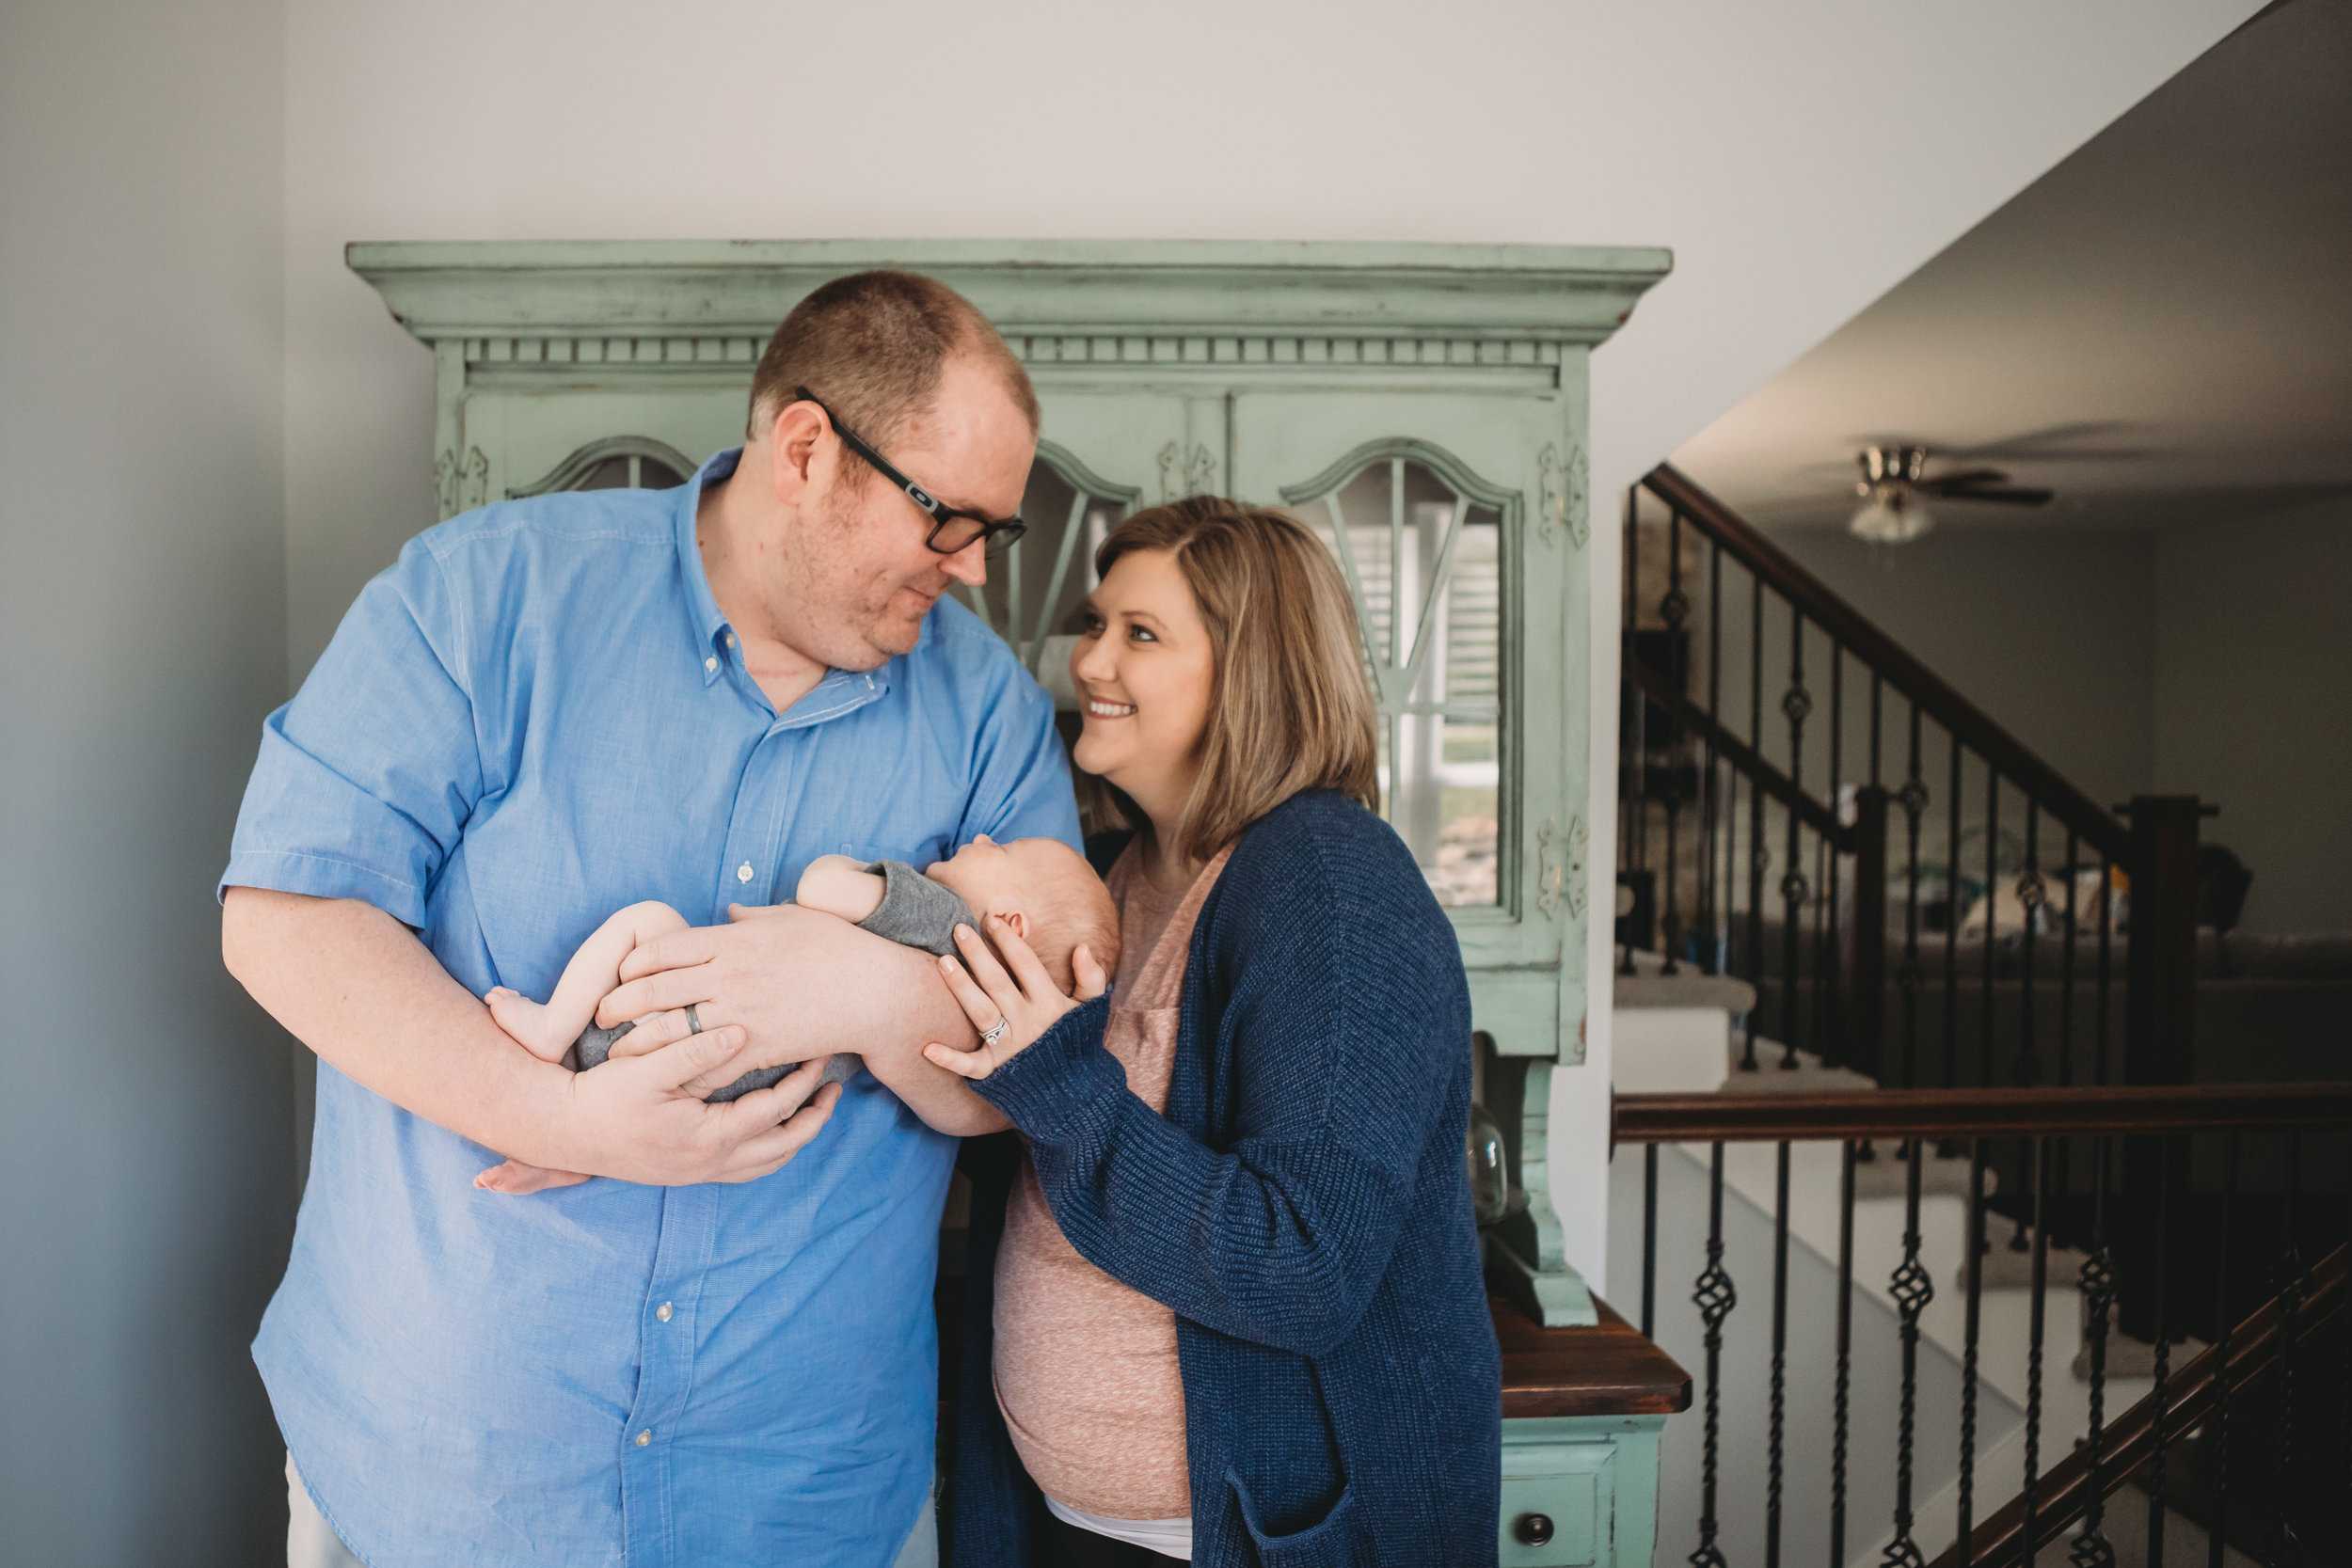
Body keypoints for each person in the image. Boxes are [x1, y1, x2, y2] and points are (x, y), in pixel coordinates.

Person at [219, 270, 1075, 1568]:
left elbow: (1037, 1066)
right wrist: (565, 1118)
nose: (967, 572)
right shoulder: (484, 599)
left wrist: (856, 990)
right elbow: (284, 917)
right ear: (806, 449)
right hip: (444, 1474)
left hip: (806, 1493)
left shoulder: (988, 713)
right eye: (949, 519)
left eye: (990, 535)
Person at [920, 499, 1502, 1567]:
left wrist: (1052, 1082)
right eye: (1095, 623)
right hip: (1074, 1526)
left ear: (1252, 670)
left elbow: (1303, 1263)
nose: (1089, 659)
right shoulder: (1120, 876)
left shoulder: (1330, 887)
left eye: (1141, 634)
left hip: (1246, 1541)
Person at [474, 835, 1119, 1194]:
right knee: (648, 1126)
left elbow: (820, 887)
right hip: (751, 1090)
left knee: (649, 921)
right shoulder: (977, 1036)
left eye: (1001, 850)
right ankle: (576, 1157)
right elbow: (952, 1114)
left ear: (1008, 923)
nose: (981, 838)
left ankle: (553, 1027)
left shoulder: (940, 913)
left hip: (676, 1003)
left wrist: (853, 868)